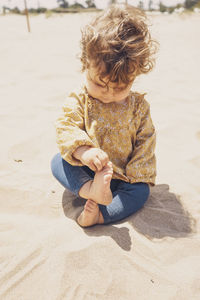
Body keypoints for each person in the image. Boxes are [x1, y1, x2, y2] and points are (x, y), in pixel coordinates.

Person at [51, 4, 157, 227]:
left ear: (135, 74)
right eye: (100, 84)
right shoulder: (81, 98)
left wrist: (136, 174)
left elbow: (145, 142)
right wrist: (83, 152)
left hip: (124, 179)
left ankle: (101, 214)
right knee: (58, 162)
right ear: (85, 65)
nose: (109, 93)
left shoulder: (139, 106)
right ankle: (91, 190)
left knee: (141, 192)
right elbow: (65, 126)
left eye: (120, 87)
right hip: (87, 172)